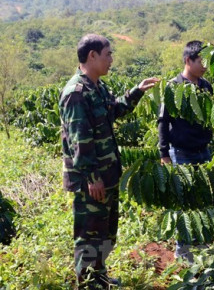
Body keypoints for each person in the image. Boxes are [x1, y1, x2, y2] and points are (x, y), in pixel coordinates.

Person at [59, 34, 159, 289]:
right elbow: (79, 140)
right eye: (108, 54)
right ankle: (89, 283)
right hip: (92, 180)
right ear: (92, 56)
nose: (111, 59)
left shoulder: (97, 87)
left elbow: (113, 110)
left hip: (107, 175)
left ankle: (99, 277)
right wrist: (92, 177)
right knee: (89, 237)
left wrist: (136, 91)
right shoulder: (77, 93)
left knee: (105, 233)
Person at [158, 40, 213, 262]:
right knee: (184, 202)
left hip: (203, 151)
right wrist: (163, 153)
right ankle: (183, 249)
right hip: (181, 153)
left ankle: (203, 242)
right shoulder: (173, 86)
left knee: (204, 198)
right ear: (188, 60)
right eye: (201, 61)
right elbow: (163, 121)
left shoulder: (206, 86)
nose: (205, 66)